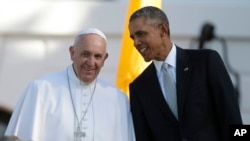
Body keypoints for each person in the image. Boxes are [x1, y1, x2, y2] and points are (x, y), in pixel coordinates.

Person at [128, 6, 242, 141]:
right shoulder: (139, 87)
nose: (136, 43)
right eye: (133, 37)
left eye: (141, 34)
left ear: (163, 30)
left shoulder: (206, 61)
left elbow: (233, 119)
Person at [4, 28, 135, 141]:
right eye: (85, 54)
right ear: (72, 53)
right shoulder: (41, 89)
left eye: (97, 56)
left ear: (105, 59)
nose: (91, 62)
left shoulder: (118, 99)